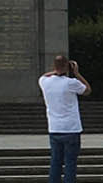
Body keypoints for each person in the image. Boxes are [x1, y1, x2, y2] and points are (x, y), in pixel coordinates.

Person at [38, 55, 90, 183]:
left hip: (54, 128)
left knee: (55, 162)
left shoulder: (44, 82)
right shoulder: (71, 83)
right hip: (71, 128)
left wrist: (57, 70)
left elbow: (45, 75)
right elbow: (88, 90)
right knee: (70, 163)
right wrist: (77, 73)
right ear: (67, 67)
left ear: (54, 67)